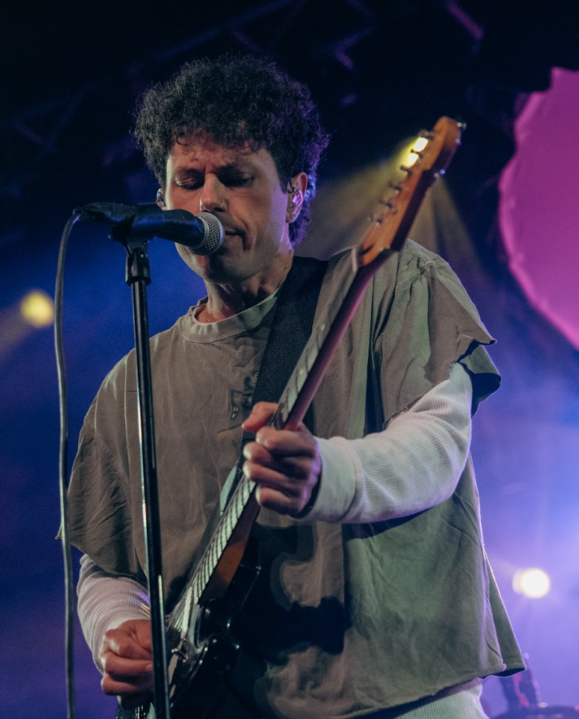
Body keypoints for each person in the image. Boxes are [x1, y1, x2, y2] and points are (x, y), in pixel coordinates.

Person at [65, 54, 523, 719]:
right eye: (188, 180)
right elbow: (108, 564)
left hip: (401, 692)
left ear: (297, 191)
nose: (208, 200)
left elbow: (438, 445)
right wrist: (120, 628)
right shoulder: (128, 386)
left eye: (236, 177)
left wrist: (328, 473)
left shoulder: (391, 283)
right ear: (162, 202)